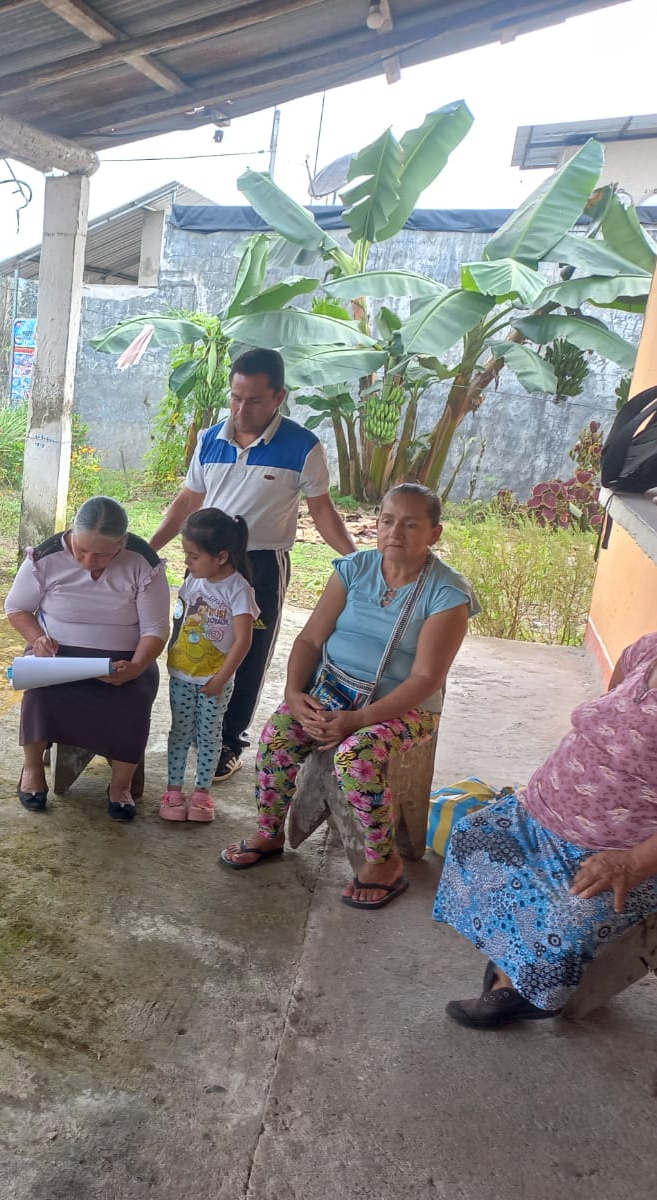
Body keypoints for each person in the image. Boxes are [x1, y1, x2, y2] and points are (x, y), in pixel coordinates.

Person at [435, 560, 657, 1028]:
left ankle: (522, 987)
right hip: (547, 812)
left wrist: (632, 862)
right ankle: (516, 960)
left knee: (572, 915)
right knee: (475, 836)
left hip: (641, 851)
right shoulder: (652, 649)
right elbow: (608, 710)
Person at [219, 484, 477, 910]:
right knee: (277, 736)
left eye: (411, 524)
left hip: (404, 708)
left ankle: (384, 861)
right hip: (333, 690)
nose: (395, 532)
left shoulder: (447, 592)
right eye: (388, 520)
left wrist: (358, 720)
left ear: (435, 533)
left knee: (356, 758)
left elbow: (426, 679)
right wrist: (294, 693)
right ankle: (269, 832)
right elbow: (309, 640)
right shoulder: (355, 568)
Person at [149, 348, 356, 784]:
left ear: (279, 396)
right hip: (204, 564)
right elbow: (187, 501)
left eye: (255, 400)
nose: (242, 409)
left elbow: (322, 512)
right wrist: (148, 550)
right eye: (236, 397)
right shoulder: (211, 439)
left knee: (248, 652)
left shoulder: (303, 446)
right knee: (194, 645)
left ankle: (227, 742)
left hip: (261, 565)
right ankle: (195, 729)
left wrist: (358, 562)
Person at [6, 496, 171, 822]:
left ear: (121, 543)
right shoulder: (47, 556)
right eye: (81, 550)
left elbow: (155, 629)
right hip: (57, 654)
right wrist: (37, 639)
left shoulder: (143, 562)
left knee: (134, 696)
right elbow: (17, 608)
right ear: (72, 531)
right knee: (39, 693)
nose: (87, 561)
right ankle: (32, 769)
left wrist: (137, 666)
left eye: (101, 555)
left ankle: (120, 786)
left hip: (122, 661)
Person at [162, 509, 259, 824]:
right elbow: (181, 621)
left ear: (221, 557)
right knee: (179, 732)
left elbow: (243, 641)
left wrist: (221, 679)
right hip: (182, 675)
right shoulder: (194, 580)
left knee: (209, 735)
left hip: (214, 680)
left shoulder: (238, 589)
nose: (187, 562)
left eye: (193, 556)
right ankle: (173, 790)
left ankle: (202, 792)